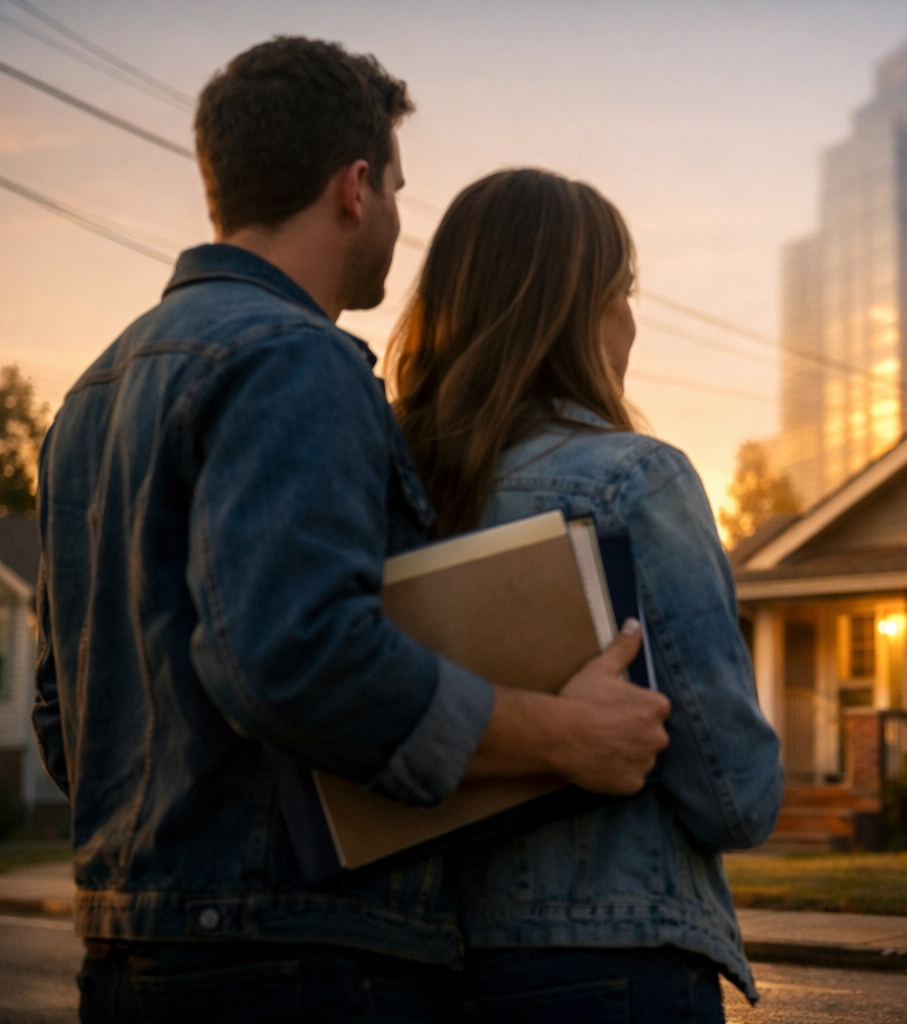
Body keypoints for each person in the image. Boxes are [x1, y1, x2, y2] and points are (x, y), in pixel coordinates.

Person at [35, 38, 671, 1023]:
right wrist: (565, 735)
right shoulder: (298, 360)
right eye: (399, 190)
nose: (397, 221)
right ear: (355, 187)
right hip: (297, 961)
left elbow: (60, 716)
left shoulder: (90, 396)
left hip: (129, 951)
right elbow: (297, 653)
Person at [388, 168, 784, 1021]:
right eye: (623, 292)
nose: (632, 321)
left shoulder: (376, 485)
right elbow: (735, 793)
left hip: (414, 960)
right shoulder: (634, 478)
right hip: (614, 959)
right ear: (583, 310)